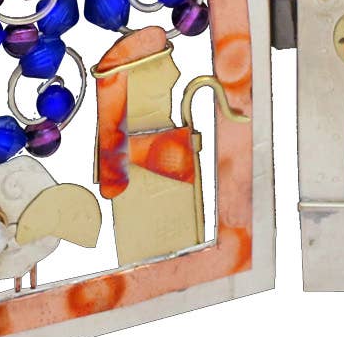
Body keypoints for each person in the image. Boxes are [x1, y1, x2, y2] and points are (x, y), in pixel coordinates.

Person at [92, 24, 245, 266]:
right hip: (155, 231)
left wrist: (185, 145)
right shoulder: (118, 148)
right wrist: (183, 146)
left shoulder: (120, 144)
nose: (174, 73)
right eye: (160, 65)